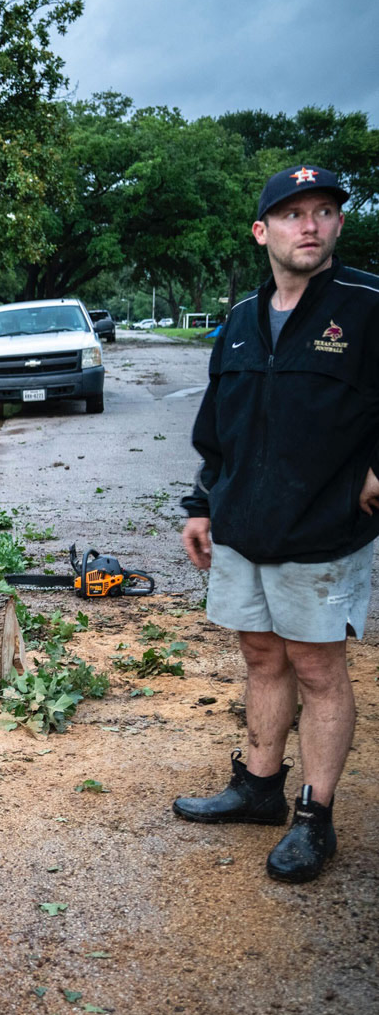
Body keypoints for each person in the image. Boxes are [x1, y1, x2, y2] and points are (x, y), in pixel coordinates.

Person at [176, 165, 379, 883]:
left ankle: (314, 819)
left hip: (323, 531)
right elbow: (217, 429)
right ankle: (259, 787)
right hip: (243, 529)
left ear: (338, 226)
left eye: (324, 212)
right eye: (294, 214)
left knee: (318, 668)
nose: (311, 226)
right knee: (261, 655)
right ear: (264, 231)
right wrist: (200, 504)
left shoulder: (366, 305)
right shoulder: (237, 321)